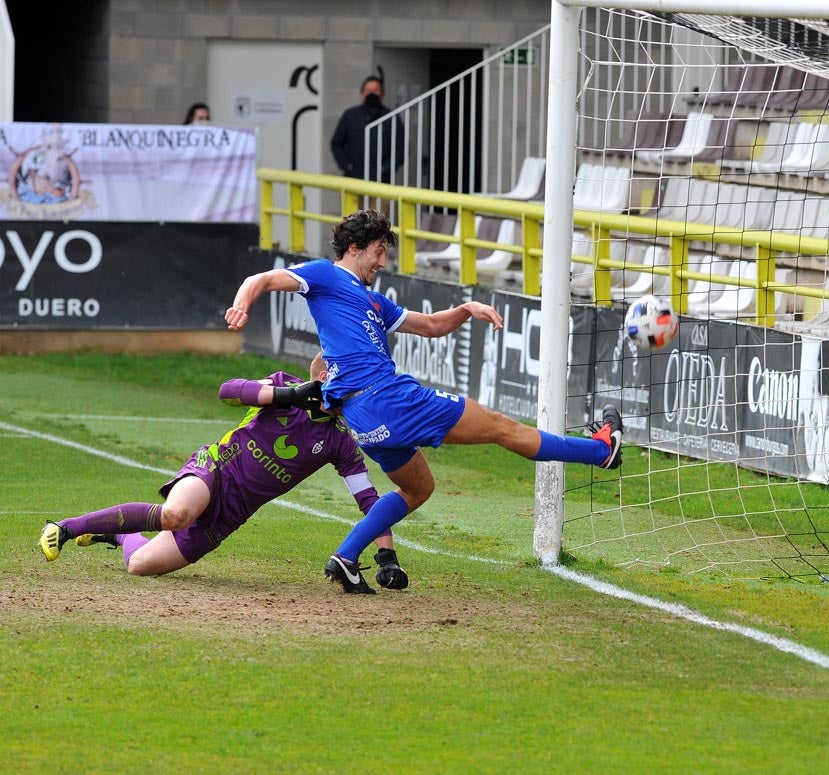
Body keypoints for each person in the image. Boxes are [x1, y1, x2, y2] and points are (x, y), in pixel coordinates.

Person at [224, 209, 623, 589]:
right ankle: (600, 450)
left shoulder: (373, 302)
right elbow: (262, 278)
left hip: (363, 419)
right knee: (503, 428)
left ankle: (346, 557)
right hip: (390, 398)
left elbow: (430, 326)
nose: (383, 261)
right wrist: (241, 305)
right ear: (355, 248)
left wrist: (466, 309)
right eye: (379, 251)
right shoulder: (325, 275)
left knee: (418, 489)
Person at [37, 354, 407, 595]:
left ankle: (119, 536)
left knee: (139, 565)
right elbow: (228, 391)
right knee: (175, 515)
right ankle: (66, 527)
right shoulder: (281, 384)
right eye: (358, 385)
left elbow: (369, 501)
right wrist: (287, 394)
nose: (363, 394)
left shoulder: (341, 441)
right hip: (216, 469)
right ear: (327, 377)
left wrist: (387, 558)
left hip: (234, 513)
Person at [330, 75, 405, 181]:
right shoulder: (350, 115)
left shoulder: (391, 118)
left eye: (376, 90)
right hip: (353, 180)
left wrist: (385, 169)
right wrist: (347, 166)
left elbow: (402, 149)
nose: (372, 94)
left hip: (381, 182)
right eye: (368, 90)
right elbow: (336, 143)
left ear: (382, 94)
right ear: (362, 94)